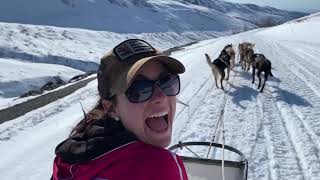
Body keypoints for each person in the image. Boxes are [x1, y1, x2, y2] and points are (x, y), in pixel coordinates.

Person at [51, 39, 188, 180]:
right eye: (140, 89)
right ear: (111, 107)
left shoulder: (67, 163)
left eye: (167, 81)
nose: (161, 96)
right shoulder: (157, 166)